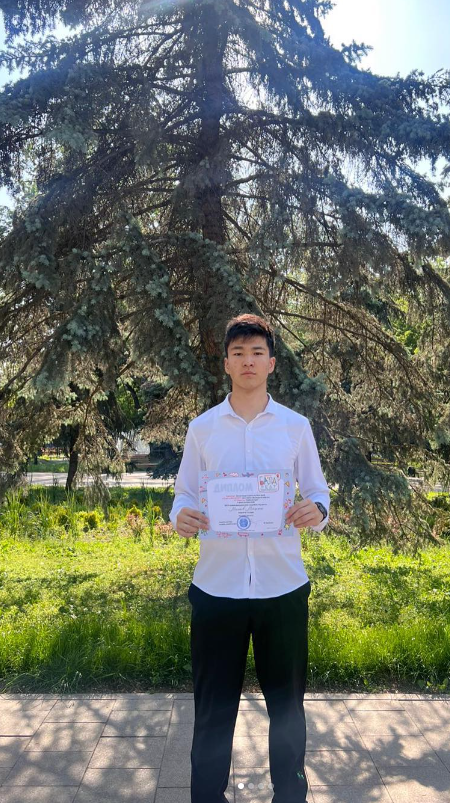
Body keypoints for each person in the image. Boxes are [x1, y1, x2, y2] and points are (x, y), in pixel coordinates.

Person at [170, 313, 330, 803]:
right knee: (213, 709)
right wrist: (180, 516)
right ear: (225, 363)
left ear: (271, 363)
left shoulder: (295, 427)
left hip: (282, 588)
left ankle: (290, 796)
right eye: (238, 353)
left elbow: (318, 492)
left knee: (288, 708)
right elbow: (184, 495)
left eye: (257, 352)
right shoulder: (202, 429)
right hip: (217, 589)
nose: (248, 361)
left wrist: (316, 510)